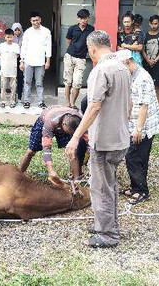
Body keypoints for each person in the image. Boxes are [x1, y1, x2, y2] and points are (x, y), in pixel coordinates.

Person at [66, 30, 131, 249]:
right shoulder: (123, 67)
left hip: (104, 140)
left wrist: (75, 138)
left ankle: (108, 234)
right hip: (120, 137)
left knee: (101, 187)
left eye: (89, 52)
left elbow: (94, 106)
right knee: (108, 185)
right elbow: (129, 105)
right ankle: (106, 224)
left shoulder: (101, 70)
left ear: (92, 49)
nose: (89, 56)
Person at [115, 50, 159, 205]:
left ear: (128, 62)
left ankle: (142, 191)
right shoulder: (131, 75)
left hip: (144, 125)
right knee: (139, 157)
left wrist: (139, 129)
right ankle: (136, 187)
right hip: (134, 123)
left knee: (133, 157)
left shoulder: (142, 78)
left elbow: (144, 106)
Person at [19, 105, 88, 181]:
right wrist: (51, 171)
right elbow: (46, 148)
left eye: (73, 133)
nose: (71, 135)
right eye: (69, 132)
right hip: (45, 120)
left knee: (72, 151)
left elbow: (88, 140)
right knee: (31, 151)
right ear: (63, 124)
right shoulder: (49, 122)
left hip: (63, 121)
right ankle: (18, 175)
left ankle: (76, 178)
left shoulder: (80, 119)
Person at [64, 9, 94, 109]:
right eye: (81, 18)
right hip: (70, 56)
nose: (83, 21)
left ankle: (73, 103)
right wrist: (72, 51)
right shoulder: (72, 29)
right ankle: (68, 103)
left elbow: (91, 43)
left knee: (77, 82)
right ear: (78, 18)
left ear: (88, 18)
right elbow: (68, 41)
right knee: (68, 81)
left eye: (85, 18)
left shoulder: (91, 29)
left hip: (81, 59)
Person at [21, 11, 52, 109]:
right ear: (30, 21)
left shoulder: (46, 31)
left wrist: (48, 60)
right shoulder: (27, 32)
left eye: (37, 20)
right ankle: (26, 101)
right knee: (27, 82)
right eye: (33, 20)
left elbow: (48, 47)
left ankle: (41, 101)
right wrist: (21, 61)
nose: (35, 22)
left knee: (39, 83)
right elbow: (23, 47)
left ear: (40, 20)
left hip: (40, 61)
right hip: (28, 60)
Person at [142, 15, 159, 103]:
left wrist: (155, 60)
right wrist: (148, 60)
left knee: (157, 85)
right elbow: (142, 49)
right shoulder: (145, 35)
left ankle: (157, 104)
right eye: (152, 24)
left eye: (156, 23)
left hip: (158, 63)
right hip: (146, 63)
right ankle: (146, 104)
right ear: (149, 23)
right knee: (146, 85)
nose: (154, 26)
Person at [0, 28, 20, 108]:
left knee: (13, 86)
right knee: (3, 86)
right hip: (4, 69)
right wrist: (1, 57)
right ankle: (3, 101)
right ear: (5, 37)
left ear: (13, 37)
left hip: (12, 69)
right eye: (8, 37)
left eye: (11, 37)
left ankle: (12, 101)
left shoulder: (15, 46)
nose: (9, 39)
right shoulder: (2, 45)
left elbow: (18, 54)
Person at [12, 22, 25, 101]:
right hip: (12, 60)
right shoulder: (10, 38)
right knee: (13, 78)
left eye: (18, 30)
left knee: (20, 78)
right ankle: (13, 96)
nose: (17, 32)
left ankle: (19, 96)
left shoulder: (24, 38)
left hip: (21, 59)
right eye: (15, 30)